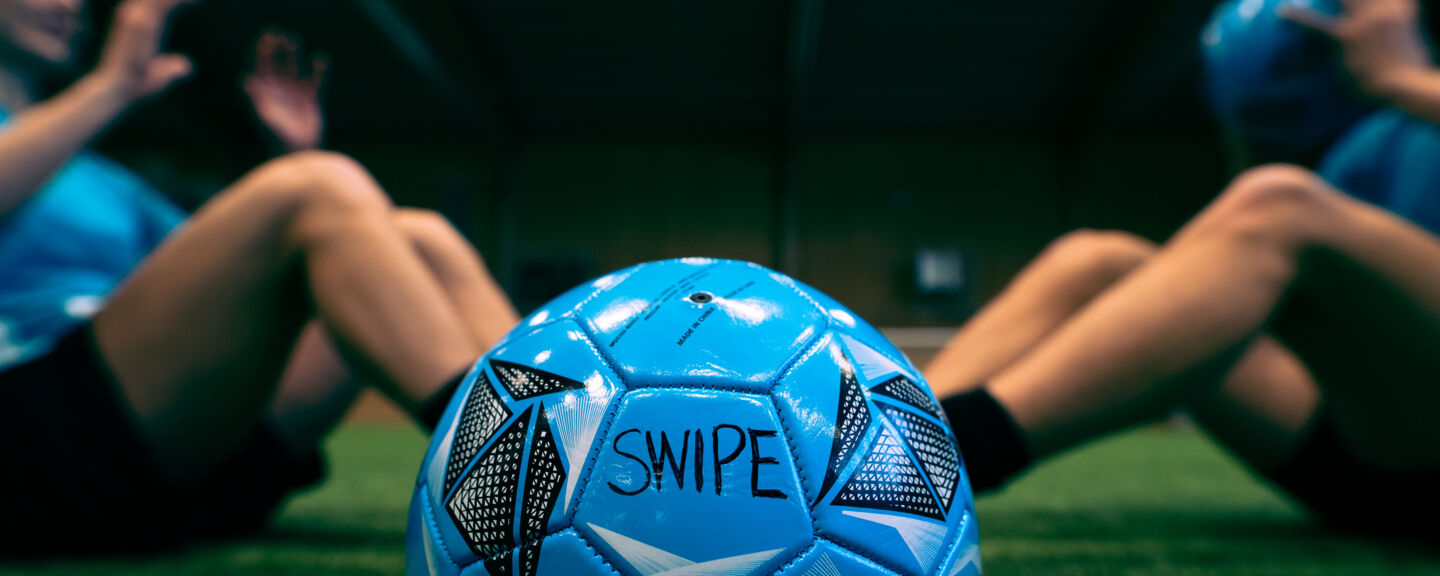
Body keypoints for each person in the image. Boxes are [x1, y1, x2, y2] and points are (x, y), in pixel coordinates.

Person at [0, 0, 517, 555]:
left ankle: (578, 446)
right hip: (35, 446)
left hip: (162, 443)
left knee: (421, 236)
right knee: (316, 189)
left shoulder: (102, 179)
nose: (69, 5)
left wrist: (288, 163)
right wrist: (113, 84)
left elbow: (203, 286)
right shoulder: (63, 135)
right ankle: (524, 486)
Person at [926, 0, 1440, 537]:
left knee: (1279, 209)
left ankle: (936, 463)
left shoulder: (1401, 97)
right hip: (1366, 447)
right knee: (1097, 261)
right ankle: (875, 446)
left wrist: (1402, 78)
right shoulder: (1369, 146)